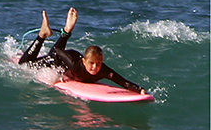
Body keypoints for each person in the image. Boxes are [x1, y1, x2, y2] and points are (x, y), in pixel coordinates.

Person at [18, 8, 147, 94]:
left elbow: (122, 81)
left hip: (69, 57)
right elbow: (56, 51)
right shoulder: (75, 65)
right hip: (59, 60)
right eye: (92, 63)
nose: (95, 67)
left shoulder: (103, 70)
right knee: (24, 65)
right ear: (84, 61)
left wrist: (139, 90)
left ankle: (67, 30)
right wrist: (60, 76)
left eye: (99, 63)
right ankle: (42, 35)